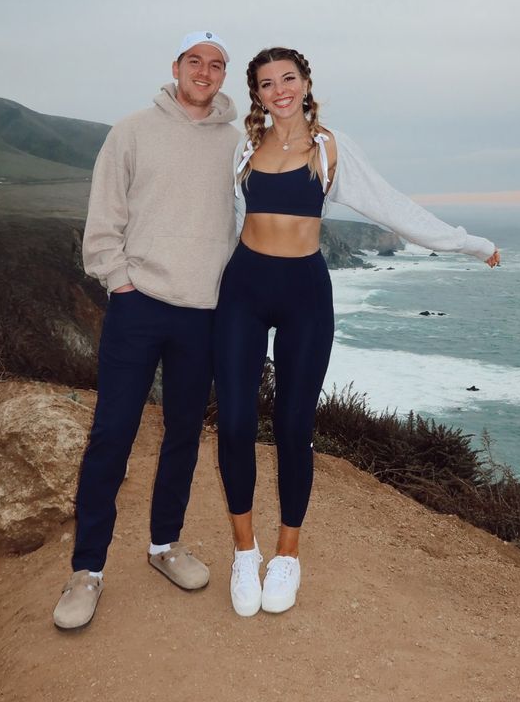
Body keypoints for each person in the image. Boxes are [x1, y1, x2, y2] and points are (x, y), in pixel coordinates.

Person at [213, 46, 500, 617]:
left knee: (295, 426)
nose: (279, 90)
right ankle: (244, 551)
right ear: (258, 95)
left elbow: (392, 207)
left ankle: (287, 555)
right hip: (243, 289)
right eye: (267, 83)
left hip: (304, 295)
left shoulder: (330, 149)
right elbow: (215, 218)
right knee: (237, 421)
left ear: (305, 82)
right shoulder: (243, 147)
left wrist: (470, 244)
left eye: (287, 78)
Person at [53, 31, 239, 630]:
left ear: (224, 75)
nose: (204, 72)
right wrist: (119, 281)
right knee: (113, 432)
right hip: (139, 306)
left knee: (184, 433)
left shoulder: (237, 144)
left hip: (204, 312)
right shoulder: (132, 130)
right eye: (195, 62)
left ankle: (166, 546)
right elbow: (103, 215)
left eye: (216, 65)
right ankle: (87, 571)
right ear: (177, 67)